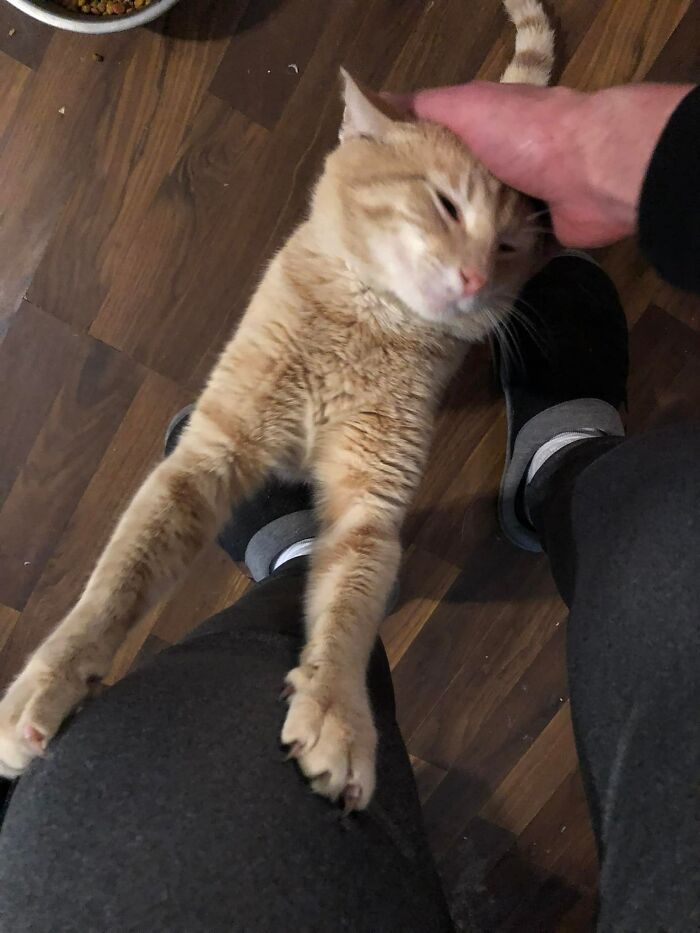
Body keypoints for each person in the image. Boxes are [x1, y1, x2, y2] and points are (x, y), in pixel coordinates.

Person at [0, 81, 698, 932]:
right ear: (353, 136)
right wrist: (84, 640)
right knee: (677, 539)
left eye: (509, 249)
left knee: (105, 844)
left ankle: (303, 578)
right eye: (447, 207)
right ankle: (566, 462)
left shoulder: (462, 287)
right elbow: (198, 477)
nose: (477, 269)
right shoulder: (328, 238)